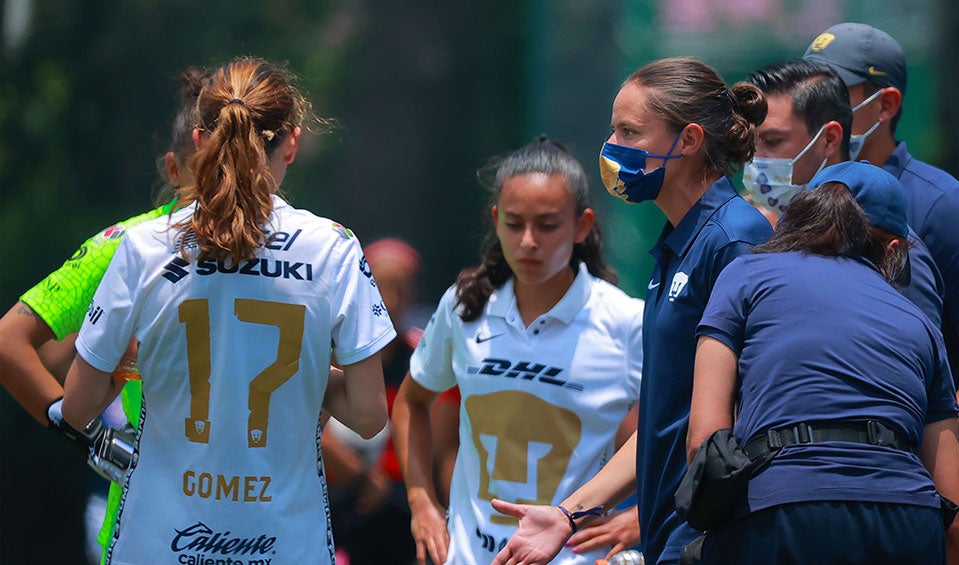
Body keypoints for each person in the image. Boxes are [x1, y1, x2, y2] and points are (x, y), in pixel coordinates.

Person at [60, 57, 393, 563]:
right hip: (284, 545)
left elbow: (77, 410)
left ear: (199, 141)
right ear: (293, 143)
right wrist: (290, 369)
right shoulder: (335, 248)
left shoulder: (144, 244)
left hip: (159, 544)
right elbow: (369, 416)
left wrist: (130, 363)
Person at [492, 57, 773, 565]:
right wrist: (568, 513)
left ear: (687, 140)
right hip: (670, 534)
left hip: (710, 539)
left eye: (629, 131)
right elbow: (666, 421)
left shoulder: (736, 239)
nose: (612, 146)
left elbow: (752, 410)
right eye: (612, 129)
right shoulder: (678, 246)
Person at [688, 160, 959, 564]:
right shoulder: (921, 325)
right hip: (906, 521)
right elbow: (956, 513)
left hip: (782, 512)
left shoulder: (744, 275)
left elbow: (704, 440)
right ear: (894, 250)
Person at [392, 136, 644, 564]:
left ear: (582, 225)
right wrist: (422, 503)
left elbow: (678, 427)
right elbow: (411, 402)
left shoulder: (626, 321)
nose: (528, 241)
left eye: (547, 225)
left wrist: (641, 516)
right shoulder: (463, 305)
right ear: (495, 220)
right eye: (513, 223)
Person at [0, 66, 208, 564]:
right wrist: (94, 440)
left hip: (260, 519)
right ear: (174, 169)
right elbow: (10, 341)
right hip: (154, 523)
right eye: (210, 169)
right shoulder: (129, 243)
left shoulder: (293, 244)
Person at [804, 21, 959, 458]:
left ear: (885, 104)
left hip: (905, 503)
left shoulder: (945, 208)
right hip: (809, 491)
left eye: (834, 96)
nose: (815, 110)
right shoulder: (800, 198)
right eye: (809, 94)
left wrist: (914, 466)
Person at [742, 58, 944, 327]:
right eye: (749, 143)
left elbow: (914, 358)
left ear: (829, 139)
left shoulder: (885, 246)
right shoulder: (747, 229)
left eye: (772, 141)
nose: (755, 158)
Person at [326, 237, 425, 564]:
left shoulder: (422, 360)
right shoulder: (329, 351)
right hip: (335, 500)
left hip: (400, 508)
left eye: (403, 287)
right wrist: (359, 476)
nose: (392, 299)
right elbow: (303, 421)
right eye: (382, 286)